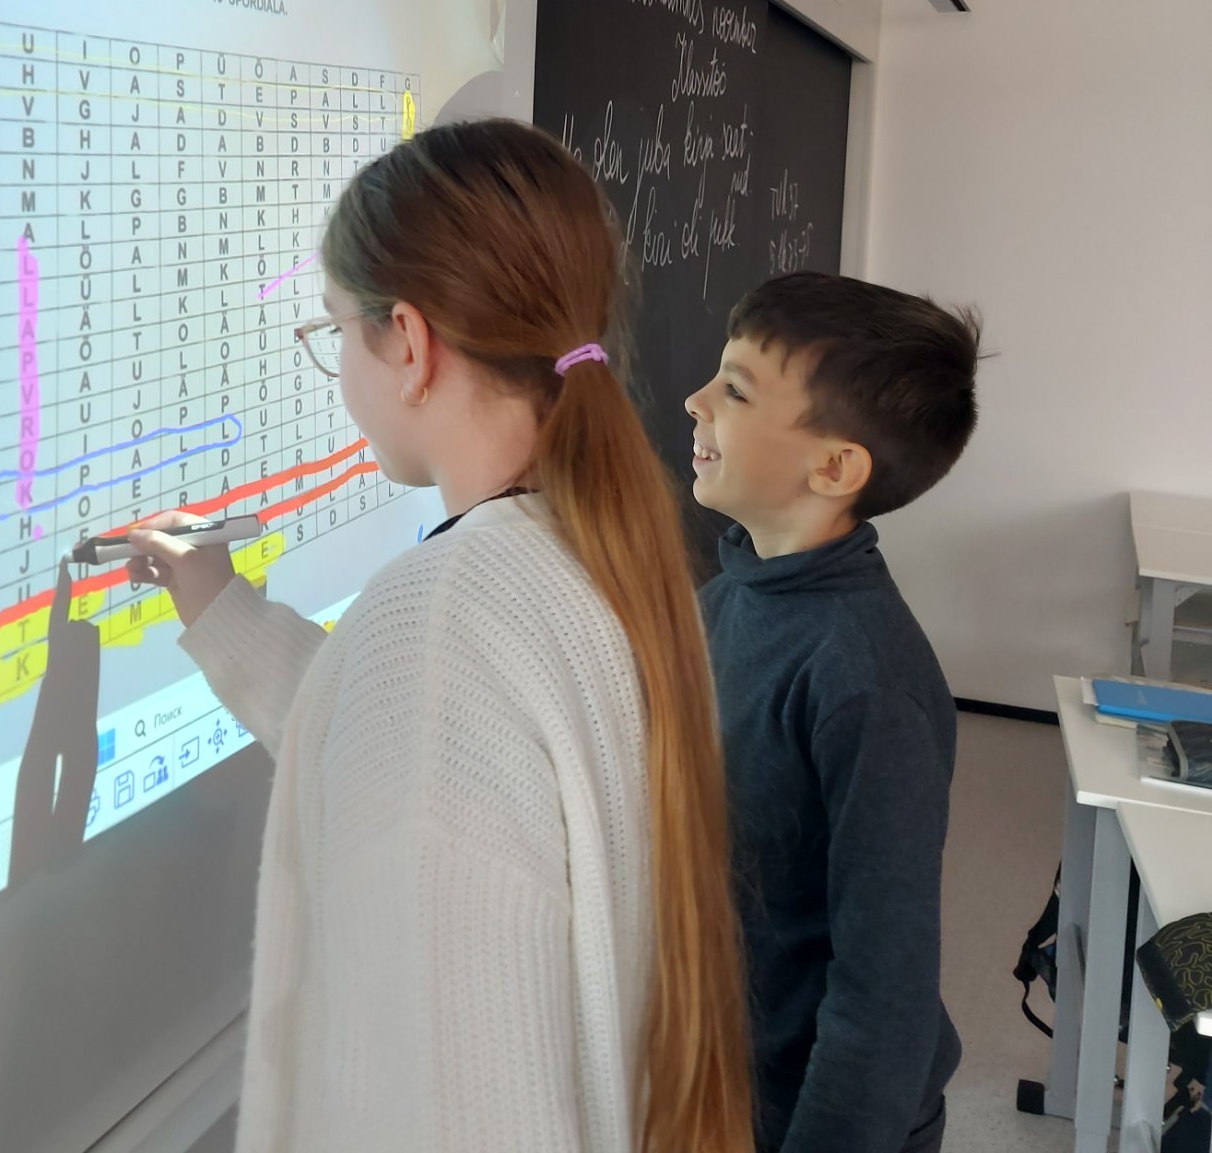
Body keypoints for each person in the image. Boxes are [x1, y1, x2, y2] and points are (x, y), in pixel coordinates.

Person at [129, 119, 752, 1153]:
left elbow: (468, 1099)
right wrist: (220, 608)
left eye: (335, 330)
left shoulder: (444, 620)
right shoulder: (591, 553)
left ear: (410, 343)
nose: (338, 364)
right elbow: (412, 746)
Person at [684, 271, 983, 1153]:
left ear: (835, 468)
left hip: (807, 1113)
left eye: (736, 390)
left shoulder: (866, 683)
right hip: (717, 1072)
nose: (696, 401)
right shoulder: (730, 596)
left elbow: (885, 991)